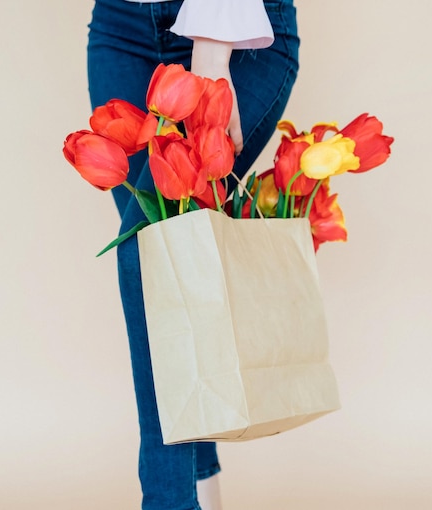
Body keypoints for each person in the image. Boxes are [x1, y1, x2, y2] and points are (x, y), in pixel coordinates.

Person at [87, 1, 299, 508]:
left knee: (149, 257)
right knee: (171, 274)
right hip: (122, 29)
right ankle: (201, 482)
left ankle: (168, 501)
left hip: (237, 34)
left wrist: (212, 56)